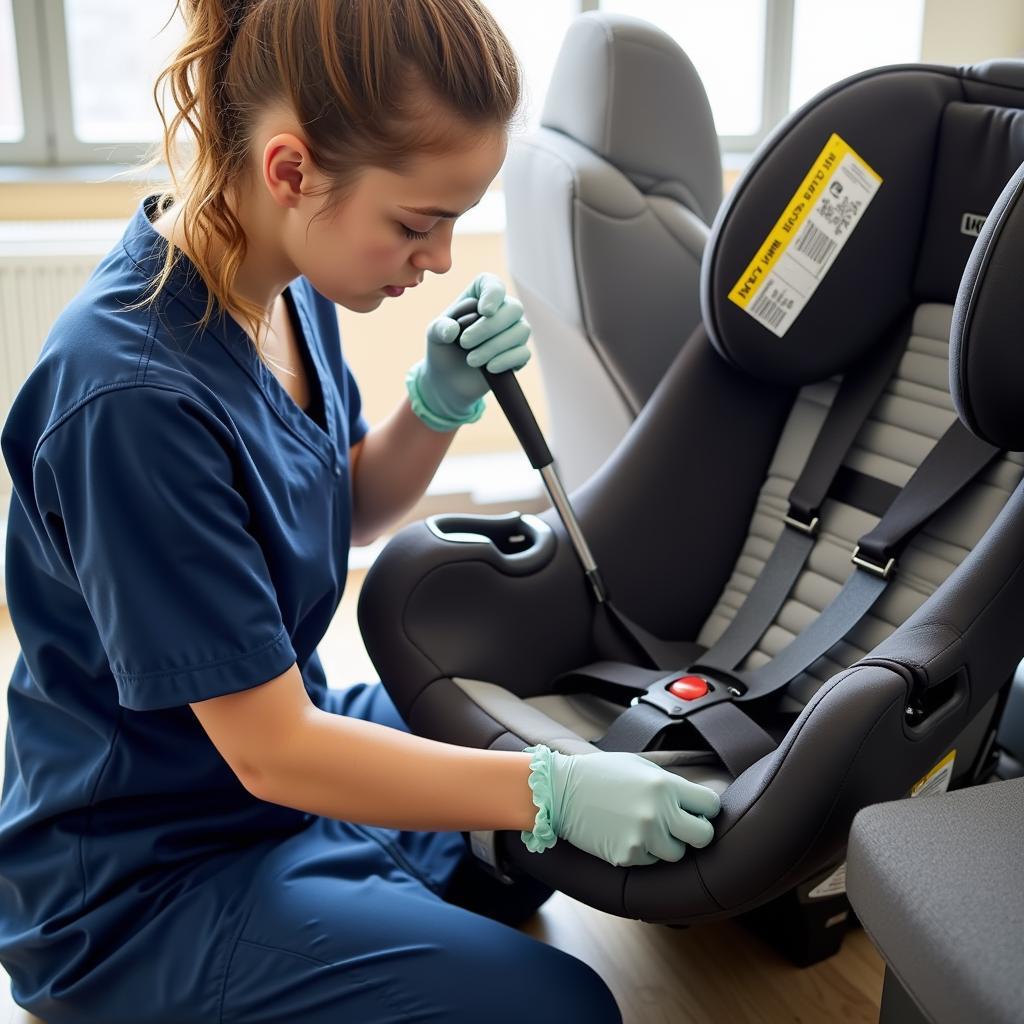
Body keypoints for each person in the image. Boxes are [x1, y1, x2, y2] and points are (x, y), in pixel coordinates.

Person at [0, 1, 720, 1021]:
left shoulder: (284, 283)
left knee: (527, 835)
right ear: (292, 170)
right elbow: (273, 750)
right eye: (418, 222)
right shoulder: (130, 400)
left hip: (273, 768)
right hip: (145, 873)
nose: (437, 259)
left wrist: (438, 400)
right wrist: (543, 786)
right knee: (563, 1005)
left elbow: (342, 509)